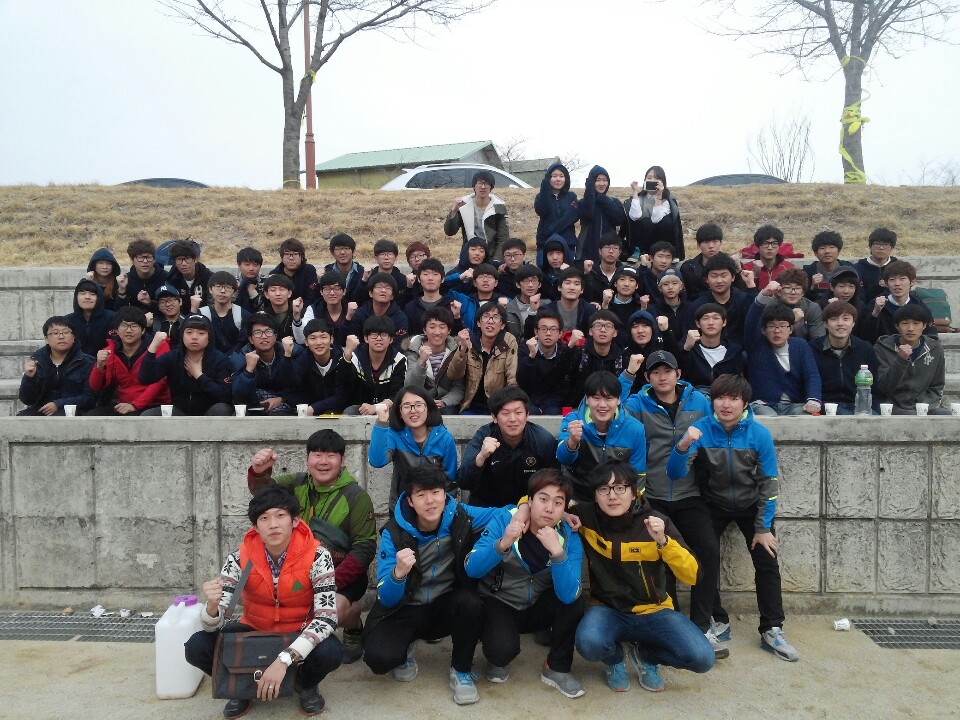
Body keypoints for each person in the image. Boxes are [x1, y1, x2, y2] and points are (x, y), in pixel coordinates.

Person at [668, 374, 800, 663]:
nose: (726, 404)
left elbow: (769, 484)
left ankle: (772, 628)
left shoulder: (758, 434)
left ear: (745, 403)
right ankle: (710, 622)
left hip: (751, 503)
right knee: (704, 556)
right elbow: (675, 473)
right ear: (712, 401)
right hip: (712, 503)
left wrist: (763, 527)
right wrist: (683, 444)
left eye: (733, 399)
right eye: (720, 398)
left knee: (767, 558)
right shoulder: (701, 429)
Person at [184, 485, 341, 718]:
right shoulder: (241, 559)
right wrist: (213, 607)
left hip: (297, 632)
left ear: (295, 520)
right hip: (255, 629)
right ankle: (241, 686)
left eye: (280, 515)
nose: (273, 524)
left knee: (331, 651)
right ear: (255, 527)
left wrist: (284, 660)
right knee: (196, 646)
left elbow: (327, 618)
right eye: (264, 518)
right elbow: (216, 622)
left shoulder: (317, 556)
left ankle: (304, 684)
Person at [362, 465, 503, 706]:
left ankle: (461, 671)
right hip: (405, 608)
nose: (430, 501)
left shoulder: (461, 515)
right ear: (410, 500)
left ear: (445, 494)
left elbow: (504, 513)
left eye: (436, 492)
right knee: (378, 659)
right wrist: (398, 574)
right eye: (421, 495)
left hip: (443, 605)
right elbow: (386, 597)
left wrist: (534, 508)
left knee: (471, 603)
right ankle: (405, 647)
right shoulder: (394, 533)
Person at [572, 460, 714, 693]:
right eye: (604, 489)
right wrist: (529, 510)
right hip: (608, 610)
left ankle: (645, 655)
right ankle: (615, 660)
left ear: (634, 492)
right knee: (589, 643)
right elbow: (544, 500)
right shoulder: (586, 516)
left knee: (702, 658)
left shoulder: (656, 522)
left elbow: (693, 576)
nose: (612, 496)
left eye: (620, 488)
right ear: (595, 495)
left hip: (654, 611)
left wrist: (664, 542)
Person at [618, 352, 725, 657]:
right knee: (661, 556)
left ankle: (702, 624)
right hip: (652, 495)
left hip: (690, 494)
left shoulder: (698, 401)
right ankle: (673, 623)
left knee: (707, 551)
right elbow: (611, 410)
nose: (662, 377)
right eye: (655, 372)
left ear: (678, 374)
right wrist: (627, 375)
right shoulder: (638, 404)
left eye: (667, 371)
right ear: (647, 377)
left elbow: (727, 414)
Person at [247, 430, 376, 666]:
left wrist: (328, 582)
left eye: (331, 455)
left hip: (342, 575)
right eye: (317, 455)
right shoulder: (296, 483)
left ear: (342, 460)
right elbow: (264, 494)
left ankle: (353, 623)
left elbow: (364, 549)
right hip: (297, 571)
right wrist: (259, 472)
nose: (323, 462)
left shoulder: (357, 497)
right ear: (307, 459)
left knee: (333, 608)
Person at [463, 469, 586, 697]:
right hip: (499, 601)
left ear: (564, 509)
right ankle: (496, 649)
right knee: (501, 652)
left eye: (558, 503)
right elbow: (472, 568)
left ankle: (557, 668)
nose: (549, 508)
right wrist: (503, 543)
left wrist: (557, 552)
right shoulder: (506, 519)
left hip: (536, 604)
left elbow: (569, 594)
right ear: (529, 501)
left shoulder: (568, 535)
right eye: (543, 499)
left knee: (576, 602)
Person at [457, 386, 559, 507]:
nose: (513, 419)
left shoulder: (543, 440)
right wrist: (481, 457)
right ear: (494, 417)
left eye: (518, 413)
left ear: (527, 415)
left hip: (528, 507)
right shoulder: (483, 436)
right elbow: (463, 483)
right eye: (505, 413)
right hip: (487, 507)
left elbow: (553, 485)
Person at [557, 371, 647, 502]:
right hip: (578, 495)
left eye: (608, 398)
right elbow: (563, 459)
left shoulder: (635, 429)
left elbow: (638, 473)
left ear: (618, 399)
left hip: (615, 497)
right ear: (587, 399)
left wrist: (634, 505)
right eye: (596, 398)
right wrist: (572, 442)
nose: (602, 405)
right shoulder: (572, 420)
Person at [368, 385, 459, 510]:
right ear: (399, 412)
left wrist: (446, 509)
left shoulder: (444, 438)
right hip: (402, 506)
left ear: (428, 408)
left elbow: (450, 479)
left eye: (418, 405)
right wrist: (382, 423)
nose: (413, 410)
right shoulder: (394, 435)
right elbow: (377, 461)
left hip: (434, 508)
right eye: (407, 406)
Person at [744, 283, 822, 416]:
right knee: (769, 418)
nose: (777, 331)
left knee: (805, 417)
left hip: (794, 404)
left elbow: (812, 375)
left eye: (782, 326)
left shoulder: (800, 345)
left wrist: (813, 399)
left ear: (790, 329)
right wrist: (764, 294)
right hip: (763, 404)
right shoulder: (756, 344)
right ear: (764, 330)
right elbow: (751, 322)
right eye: (772, 326)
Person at [139, 315, 235, 416]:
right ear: (182, 335)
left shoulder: (220, 359)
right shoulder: (173, 356)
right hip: (179, 412)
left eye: (201, 333)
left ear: (209, 337)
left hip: (208, 414)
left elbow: (226, 396)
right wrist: (153, 346)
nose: (194, 337)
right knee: (148, 415)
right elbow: (145, 378)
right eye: (189, 332)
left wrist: (199, 375)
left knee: (222, 409)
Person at [86, 307, 171, 416]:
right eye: (124, 325)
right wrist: (99, 366)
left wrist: (135, 405)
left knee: (136, 418)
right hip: (124, 405)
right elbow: (95, 387)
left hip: (155, 404)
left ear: (143, 330)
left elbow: (160, 383)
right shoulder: (110, 351)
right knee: (92, 416)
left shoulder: (158, 346)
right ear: (116, 330)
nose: (128, 330)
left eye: (134, 326)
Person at [874, 303, 948, 415]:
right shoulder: (882, 348)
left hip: (924, 407)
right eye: (905, 323)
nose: (910, 329)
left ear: (924, 326)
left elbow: (937, 385)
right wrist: (900, 360)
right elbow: (884, 388)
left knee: (947, 416)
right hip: (892, 407)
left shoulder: (935, 348)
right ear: (897, 326)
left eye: (916, 323)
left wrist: (923, 406)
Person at [447, 301, 519, 414]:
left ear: (502, 325)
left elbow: (512, 378)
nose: (490, 321)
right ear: (478, 323)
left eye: (496, 317)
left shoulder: (508, 342)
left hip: (499, 406)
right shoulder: (468, 342)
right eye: (485, 316)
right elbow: (453, 375)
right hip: (471, 405)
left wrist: (509, 406)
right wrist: (462, 349)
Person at [809, 301, 878, 415]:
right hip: (825, 407)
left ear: (853, 323)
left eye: (846, 319)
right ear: (825, 324)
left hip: (858, 406)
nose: (840, 323)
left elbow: (874, 388)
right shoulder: (812, 349)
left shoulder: (865, 348)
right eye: (834, 319)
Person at [18, 316, 95, 416]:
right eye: (55, 333)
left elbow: (89, 397)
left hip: (74, 411)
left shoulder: (86, 362)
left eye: (66, 332)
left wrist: (58, 404)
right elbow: (27, 400)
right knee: (21, 418)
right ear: (46, 339)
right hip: (42, 410)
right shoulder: (38, 362)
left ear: (73, 337)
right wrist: (29, 378)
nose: (61, 337)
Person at [233, 312, 298, 416]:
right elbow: (238, 397)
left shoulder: (291, 352)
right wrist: (248, 371)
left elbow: (300, 388)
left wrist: (281, 399)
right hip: (252, 408)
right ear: (250, 339)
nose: (264, 336)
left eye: (268, 332)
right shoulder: (240, 357)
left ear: (275, 336)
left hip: (284, 407)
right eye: (258, 333)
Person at [284, 318, 352, 415]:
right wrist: (287, 355)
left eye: (323, 337)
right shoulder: (303, 359)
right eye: (313, 338)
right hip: (309, 411)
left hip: (340, 410)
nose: (319, 342)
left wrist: (314, 408)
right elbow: (290, 386)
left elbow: (342, 395)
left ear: (331, 339)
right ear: (306, 342)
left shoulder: (343, 358)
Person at [403, 306, 464, 415]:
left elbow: (458, 387)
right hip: (418, 403)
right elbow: (410, 386)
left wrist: (444, 402)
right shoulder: (413, 351)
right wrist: (421, 362)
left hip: (447, 405)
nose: (437, 332)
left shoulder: (456, 352)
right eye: (432, 327)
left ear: (449, 330)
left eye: (442, 327)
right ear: (424, 330)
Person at [342, 316, 407, 416]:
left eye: (384, 335)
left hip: (389, 408)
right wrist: (347, 354)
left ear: (391, 339)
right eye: (374, 335)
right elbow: (344, 385)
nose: (379, 339)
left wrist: (376, 407)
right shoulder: (355, 357)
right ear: (366, 338)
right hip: (361, 408)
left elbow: (397, 393)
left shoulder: (399, 360)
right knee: (349, 411)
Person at [516, 308, 577, 414]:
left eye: (553, 329)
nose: (548, 333)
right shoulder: (526, 348)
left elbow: (563, 387)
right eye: (544, 329)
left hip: (554, 404)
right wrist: (531, 356)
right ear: (536, 332)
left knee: (553, 412)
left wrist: (545, 406)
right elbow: (522, 382)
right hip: (529, 401)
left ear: (560, 334)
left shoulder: (565, 352)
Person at [687, 253, 757, 345]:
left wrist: (751, 285)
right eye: (714, 276)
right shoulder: (697, 306)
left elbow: (756, 322)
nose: (719, 281)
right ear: (706, 279)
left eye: (724, 275)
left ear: (733, 277)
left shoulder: (743, 300)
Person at [861, 260, 938, 343]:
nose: (897, 284)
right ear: (886, 283)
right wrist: (875, 313)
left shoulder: (919, 305)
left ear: (912, 282)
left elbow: (931, 335)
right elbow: (865, 337)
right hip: (884, 349)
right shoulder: (876, 304)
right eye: (892, 279)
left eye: (902, 279)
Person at [444, 169, 511, 260]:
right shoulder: (464, 205)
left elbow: (503, 238)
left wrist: (497, 260)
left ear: (491, 187)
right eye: (479, 183)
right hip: (469, 254)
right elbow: (449, 232)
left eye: (486, 184)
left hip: (491, 255)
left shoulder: (498, 207)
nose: (483, 187)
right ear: (474, 186)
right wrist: (454, 211)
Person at [681, 303, 745, 395]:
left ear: (724, 322)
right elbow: (680, 377)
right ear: (698, 323)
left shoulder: (734, 351)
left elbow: (739, 382)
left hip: (726, 395)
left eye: (716, 318)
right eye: (705, 318)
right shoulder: (689, 347)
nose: (710, 322)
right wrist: (686, 350)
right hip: (695, 396)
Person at [622, 166, 684, 261]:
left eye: (657, 178)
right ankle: (639, 252)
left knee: (667, 221)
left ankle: (668, 252)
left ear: (662, 182)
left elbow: (656, 219)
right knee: (645, 222)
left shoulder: (667, 200)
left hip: (661, 237)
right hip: (642, 237)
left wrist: (659, 196)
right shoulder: (639, 198)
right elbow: (634, 216)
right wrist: (635, 192)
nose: (652, 181)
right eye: (649, 178)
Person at [617, 310, 679, 395]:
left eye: (645, 326)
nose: (640, 330)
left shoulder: (663, 346)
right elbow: (618, 390)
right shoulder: (623, 354)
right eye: (635, 327)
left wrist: (666, 331)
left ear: (653, 328)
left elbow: (678, 361)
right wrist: (629, 372)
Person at [346, 272, 409, 354]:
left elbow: (399, 345)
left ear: (392, 296)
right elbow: (354, 340)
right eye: (379, 287)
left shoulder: (400, 318)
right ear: (370, 293)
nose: (383, 290)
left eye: (388, 288)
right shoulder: (360, 314)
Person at [569, 310, 624, 400]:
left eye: (608, 326)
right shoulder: (580, 352)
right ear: (590, 331)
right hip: (580, 402)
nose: (603, 330)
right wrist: (569, 347)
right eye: (598, 325)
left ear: (615, 333)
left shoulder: (622, 356)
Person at [578, 165, 626, 264]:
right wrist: (590, 193)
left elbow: (618, 220)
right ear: (591, 182)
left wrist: (604, 199)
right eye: (597, 180)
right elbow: (588, 214)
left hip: (609, 249)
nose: (602, 184)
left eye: (605, 180)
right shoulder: (583, 202)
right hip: (586, 250)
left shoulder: (614, 202)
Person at [534, 162, 580, 263]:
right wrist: (545, 189)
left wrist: (551, 232)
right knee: (544, 272)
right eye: (554, 176)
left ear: (566, 179)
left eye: (561, 176)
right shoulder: (540, 196)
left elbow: (571, 217)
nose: (558, 179)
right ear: (548, 178)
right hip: (545, 244)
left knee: (567, 272)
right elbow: (542, 211)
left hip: (567, 244)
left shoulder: (571, 197)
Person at [403, 258, 459, 337]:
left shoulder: (452, 305)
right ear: (418, 279)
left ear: (442, 279)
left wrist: (457, 317)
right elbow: (407, 336)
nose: (430, 278)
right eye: (425, 274)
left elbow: (458, 335)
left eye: (435, 274)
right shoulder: (410, 307)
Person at [293, 270, 350, 347]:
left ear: (344, 291)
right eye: (327, 289)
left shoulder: (351, 310)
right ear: (321, 292)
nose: (332, 293)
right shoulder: (313, 309)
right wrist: (296, 317)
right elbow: (301, 340)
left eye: (337, 289)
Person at [201, 271, 251, 356]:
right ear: (210, 289)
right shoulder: (202, 314)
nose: (223, 291)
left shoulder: (243, 315)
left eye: (228, 287)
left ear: (234, 292)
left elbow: (242, 344)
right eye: (218, 287)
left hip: (236, 360)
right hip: (209, 359)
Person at [64, 278, 115, 356]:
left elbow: (116, 344)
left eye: (92, 294)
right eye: (82, 293)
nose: (87, 297)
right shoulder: (67, 321)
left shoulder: (112, 318)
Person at [802, 231, 856, 305]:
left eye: (832, 247)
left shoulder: (850, 269)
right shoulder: (807, 272)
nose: (827, 251)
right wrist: (812, 288)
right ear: (815, 253)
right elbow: (801, 300)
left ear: (839, 251)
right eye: (822, 248)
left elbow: (859, 295)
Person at [773, 268, 825, 341]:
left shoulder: (812, 308)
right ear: (779, 291)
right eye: (788, 287)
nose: (793, 292)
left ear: (803, 292)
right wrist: (792, 322)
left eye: (797, 288)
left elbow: (818, 340)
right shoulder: (771, 306)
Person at [117, 239, 167, 312]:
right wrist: (122, 289)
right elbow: (119, 311)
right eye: (140, 258)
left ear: (154, 260)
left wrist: (150, 303)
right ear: (132, 260)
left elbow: (171, 307)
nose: (145, 261)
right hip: (134, 318)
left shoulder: (165, 277)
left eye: (149, 257)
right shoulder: (126, 279)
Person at [679, 223, 725, 302]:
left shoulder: (730, 264)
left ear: (720, 243)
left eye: (715, 241)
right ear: (698, 245)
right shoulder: (688, 268)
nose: (711, 246)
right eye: (706, 242)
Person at [165, 240, 213, 314]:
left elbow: (212, 305)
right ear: (175, 262)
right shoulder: (171, 279)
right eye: (179, 259)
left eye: (187, 259)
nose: (184, 263)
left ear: (196, 259)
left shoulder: (208, 277)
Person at [269, 237, 319, 307]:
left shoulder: (309, 271)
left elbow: (312, 296)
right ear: (282, 256)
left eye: (295, 254)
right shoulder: (275, 274)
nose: (291, 258)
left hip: (306, 309)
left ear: (301, 256)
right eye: (287, 254)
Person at [855, 227, 898, 303]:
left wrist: (890, 285)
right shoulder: (858, 268)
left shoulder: (898, 267)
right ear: (870, 246)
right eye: (877, 244)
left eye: (886, 244)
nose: (881, 248)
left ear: (892, 247)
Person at [504, 264, 546, 341]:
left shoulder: (546, 306)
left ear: (539, 284)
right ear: (518, 284)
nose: (530, 285)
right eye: (526, 281)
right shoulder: (508, 308)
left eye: (534, 281)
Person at [324, 233, 366, 305]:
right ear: (332, 253)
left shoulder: (363, 273)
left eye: (346, 248)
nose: (342, 252)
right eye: (338, 249)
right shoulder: (326, 272)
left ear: (353, 251)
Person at [583, 234, 624, 306]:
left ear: (619, 252)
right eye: (607, 247)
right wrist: (586, 274)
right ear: (600, 251)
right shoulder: (590, 271)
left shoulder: (624, 273)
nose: (611, 251)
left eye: (615, 248)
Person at [750, 225, 795, 291]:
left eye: (774, 243)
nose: (770, 248)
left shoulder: (789, 268)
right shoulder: (747, 268)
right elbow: (745, 295)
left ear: (779, 246)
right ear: (758, 246)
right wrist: (755, 276)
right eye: (765, 243)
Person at [84, 247, 123, 311]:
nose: (105, 267)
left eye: (108, 263)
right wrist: (88, 284)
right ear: (94, 265)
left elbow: (121, 310)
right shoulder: (85, 281)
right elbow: (81, 308)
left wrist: (122, 289)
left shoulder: (118, 283)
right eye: (101, 263)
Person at [261, 274, 296, 340]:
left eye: (282, 289)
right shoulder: (262, 316)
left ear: (289, 293)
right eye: (273, 290)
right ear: (266, 294)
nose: (278, 294)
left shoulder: (300, 314)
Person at [235, 246, 266, 313]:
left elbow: (267, 308)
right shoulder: (233, 282)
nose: (251, 268)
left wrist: (252, 292)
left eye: (255, 265)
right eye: (247, 264)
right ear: (239, 264)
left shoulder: (266, 282)